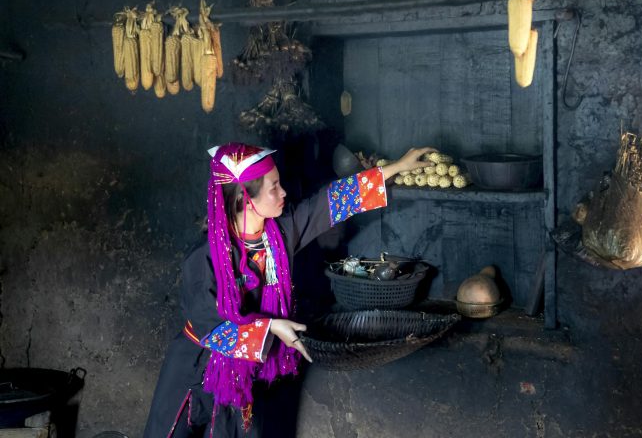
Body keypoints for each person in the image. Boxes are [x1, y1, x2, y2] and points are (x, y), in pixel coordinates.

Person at [143, 142, 435, 437]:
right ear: (246, 199)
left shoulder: (280, 232)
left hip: (245, 374)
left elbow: (332, 202)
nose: (283, 193)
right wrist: (270, 328)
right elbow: (212, 327)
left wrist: (396, 167)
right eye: (274, 187)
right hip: (197, 365)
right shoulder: (205, 257)